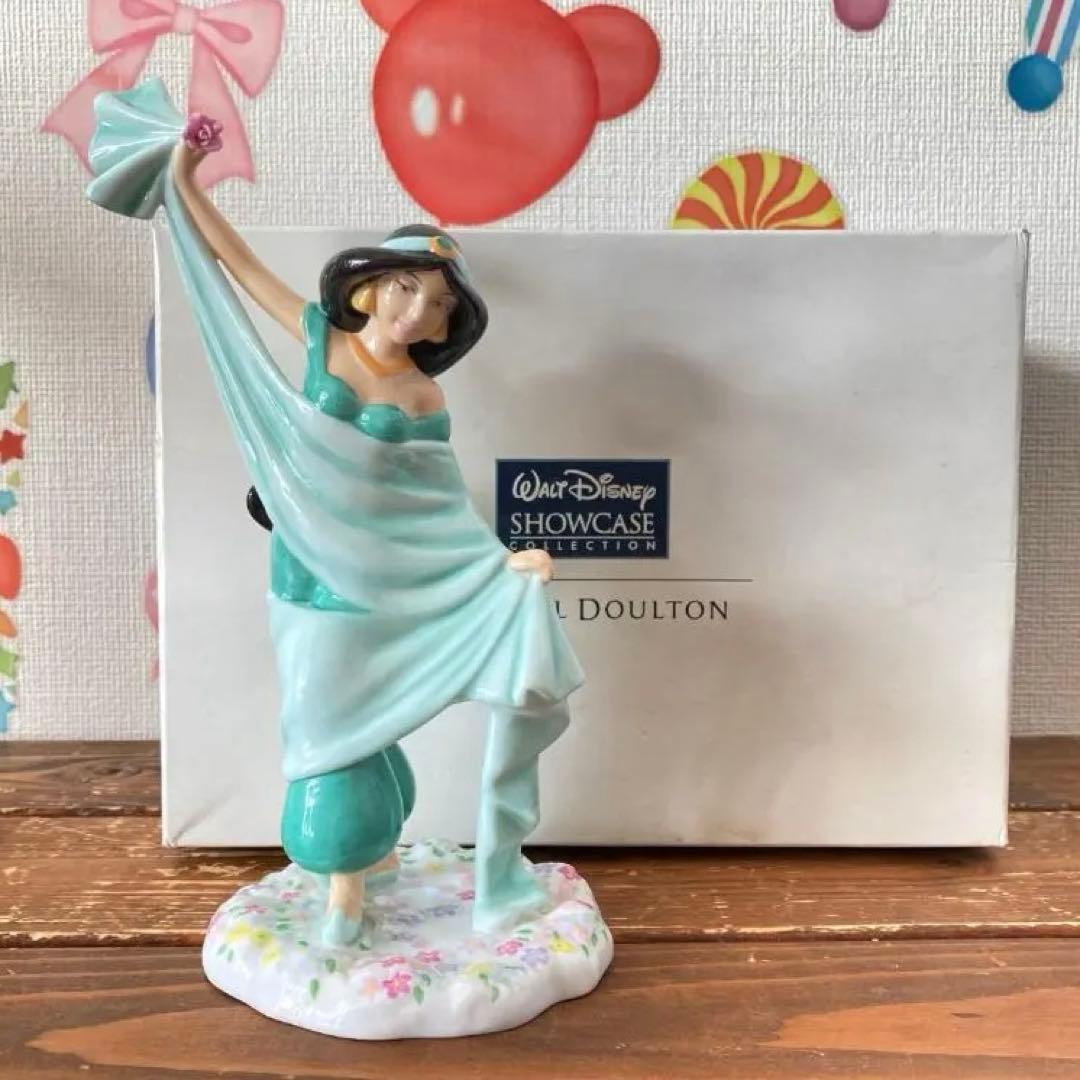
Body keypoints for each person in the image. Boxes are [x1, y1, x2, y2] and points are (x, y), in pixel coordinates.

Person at [86, 79, 585, 948]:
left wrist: (502, 562)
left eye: (437, 304)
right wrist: (186, 179)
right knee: (324, 725)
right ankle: (347, 876)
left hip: (384, 586)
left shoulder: (423, 397)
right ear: (369, 289)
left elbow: (434, 505)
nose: (416, 311)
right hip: (309, 576)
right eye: (405, 289)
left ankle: (354, 880)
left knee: (352, 728)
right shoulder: (322, 338)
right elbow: (236, 266)